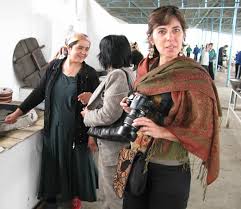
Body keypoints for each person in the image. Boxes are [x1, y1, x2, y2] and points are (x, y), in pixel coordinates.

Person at [120, 6, 221, 209]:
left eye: (176, 30)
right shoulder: (145, 67)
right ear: (151, 38)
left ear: (183, 36)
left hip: (170, 168)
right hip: (135, 157)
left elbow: (205, 130)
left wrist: (163, 132)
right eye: (162, 31)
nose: (170, 38)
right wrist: (130, 106)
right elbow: (143, 101)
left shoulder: (195, 76)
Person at [5, 33, 100, 209]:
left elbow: (96, 107)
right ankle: (56, 201)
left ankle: (74, 199)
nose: (84, 52)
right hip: (53, 127)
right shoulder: (55, 67)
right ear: (69, 47)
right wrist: (18, 113)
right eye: (80, 48)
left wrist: (92, 136)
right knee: (55, 166)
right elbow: (39, 92)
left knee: (76, 167)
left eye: (87, 49)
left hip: (76, 130)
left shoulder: (89, 74)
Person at [81, 35, 135, 209]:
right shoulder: (128, 72)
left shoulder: (118, 75)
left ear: (108, 52)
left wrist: (87, 116)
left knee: (113, 196)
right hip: (122, 145)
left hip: (114, 148)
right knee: (117, 191)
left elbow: (108, 114)